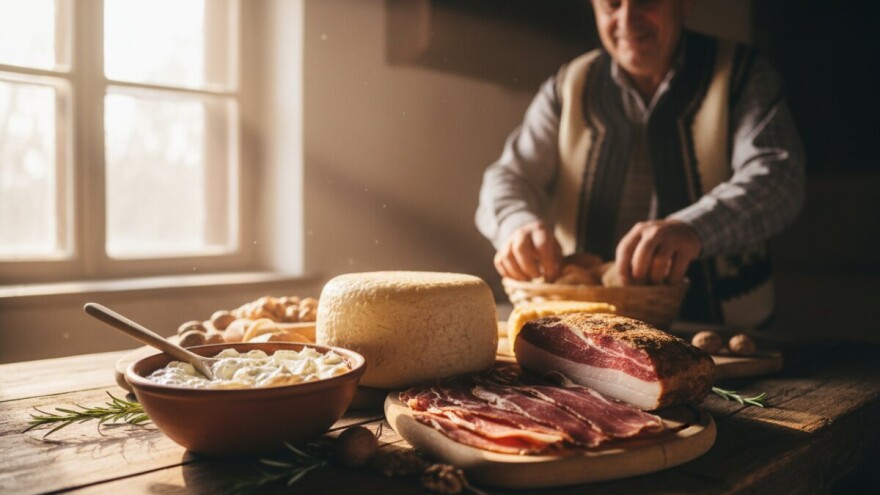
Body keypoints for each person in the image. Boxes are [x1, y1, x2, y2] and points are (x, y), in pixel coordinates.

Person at [475, 0, 805, 328]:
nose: (627, 20)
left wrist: (693, 229)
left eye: (645, 2)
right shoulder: (567, 86)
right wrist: (515, 224)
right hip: (585, 336)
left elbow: (779, 178)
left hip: (724, 331)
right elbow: (509, 176)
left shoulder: (743, 75)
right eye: (612, 5)